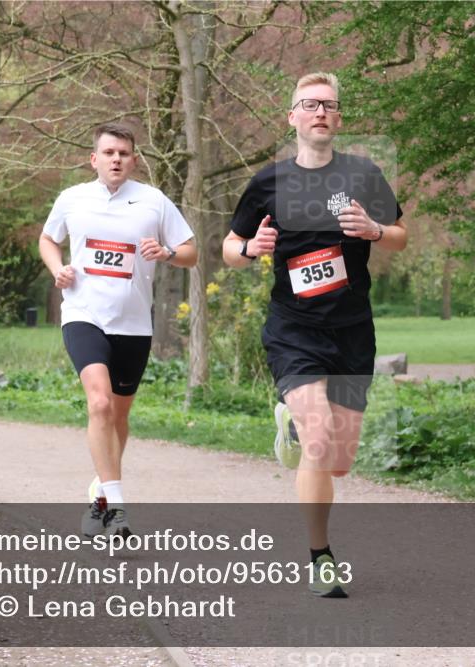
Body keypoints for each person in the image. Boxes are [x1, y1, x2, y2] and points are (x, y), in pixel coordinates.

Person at [223, 72, 406, 597]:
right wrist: (251, 250)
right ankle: (319, 557)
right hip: (294, 329)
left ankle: (294, 425)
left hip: (351, 331)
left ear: (339, 117)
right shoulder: (269, 183)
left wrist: (376, 232)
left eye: (329, 104)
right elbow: (229, 248)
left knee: (341, 461)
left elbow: (400, 235)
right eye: (309, 104)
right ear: (293, 118)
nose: (320, 111)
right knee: (321, 438)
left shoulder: (365, 174)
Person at [39, 122, 196, 539]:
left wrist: (166, 253)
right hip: (83, 314)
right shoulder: (73, 199)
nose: (116, 160)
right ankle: (118, 508)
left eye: (124, 153)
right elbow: (47, 239)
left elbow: (191, 252)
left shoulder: (153, 202)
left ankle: (101, 496)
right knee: (100, 405)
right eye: (109, 153)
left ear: (134, 159)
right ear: (95, 159)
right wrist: (59, 270)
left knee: (120, 415)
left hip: (133, 324)